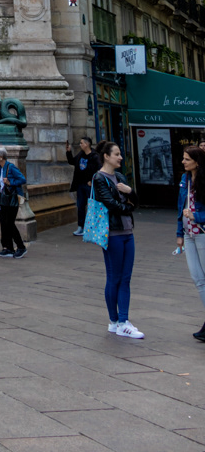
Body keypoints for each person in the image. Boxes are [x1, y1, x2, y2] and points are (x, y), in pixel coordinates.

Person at [92, 141, 143, 338]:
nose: (120, 157)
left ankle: (121, 320)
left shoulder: (120, 177)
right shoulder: (99, 178)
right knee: (114, 277)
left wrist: (130, 192)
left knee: (126, 277)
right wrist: (129, 206)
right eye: (117, 154)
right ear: (106, 156)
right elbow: (111, 204)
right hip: (112, 233)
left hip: (128, 232)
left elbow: (136, 200)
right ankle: (118, 321)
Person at [176, 146, 205, 343]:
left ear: (197, 161)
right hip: (188, 235)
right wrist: (179, 232)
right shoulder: (184, 179)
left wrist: (197, 216)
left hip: (202, 233)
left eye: (187, 159)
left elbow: (193, 211)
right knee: (198, 279)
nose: (183, 162)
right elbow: (180, 207)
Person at [0, 146, 27, 259]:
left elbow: (22, 179)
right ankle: (9, 248)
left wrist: (11, 182)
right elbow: (2, 186)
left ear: (1, 157)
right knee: (5, 224)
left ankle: (21, 247)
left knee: (10, 224)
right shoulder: (1, 168)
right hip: (4, 199)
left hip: (12, 199)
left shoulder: (10, 167)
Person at [66, 136, 99, 235]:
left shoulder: (94, 156)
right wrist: (68, 152)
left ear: (87, 144)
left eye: (81, 143)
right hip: (80, 184)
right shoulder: (81, 154)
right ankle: (81, 227)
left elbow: (99, 169)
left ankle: (92, 227)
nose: (80, 145)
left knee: (92, 206)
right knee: (80, 206)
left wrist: (93, 181)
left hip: (89, 185)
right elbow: (72, 161)